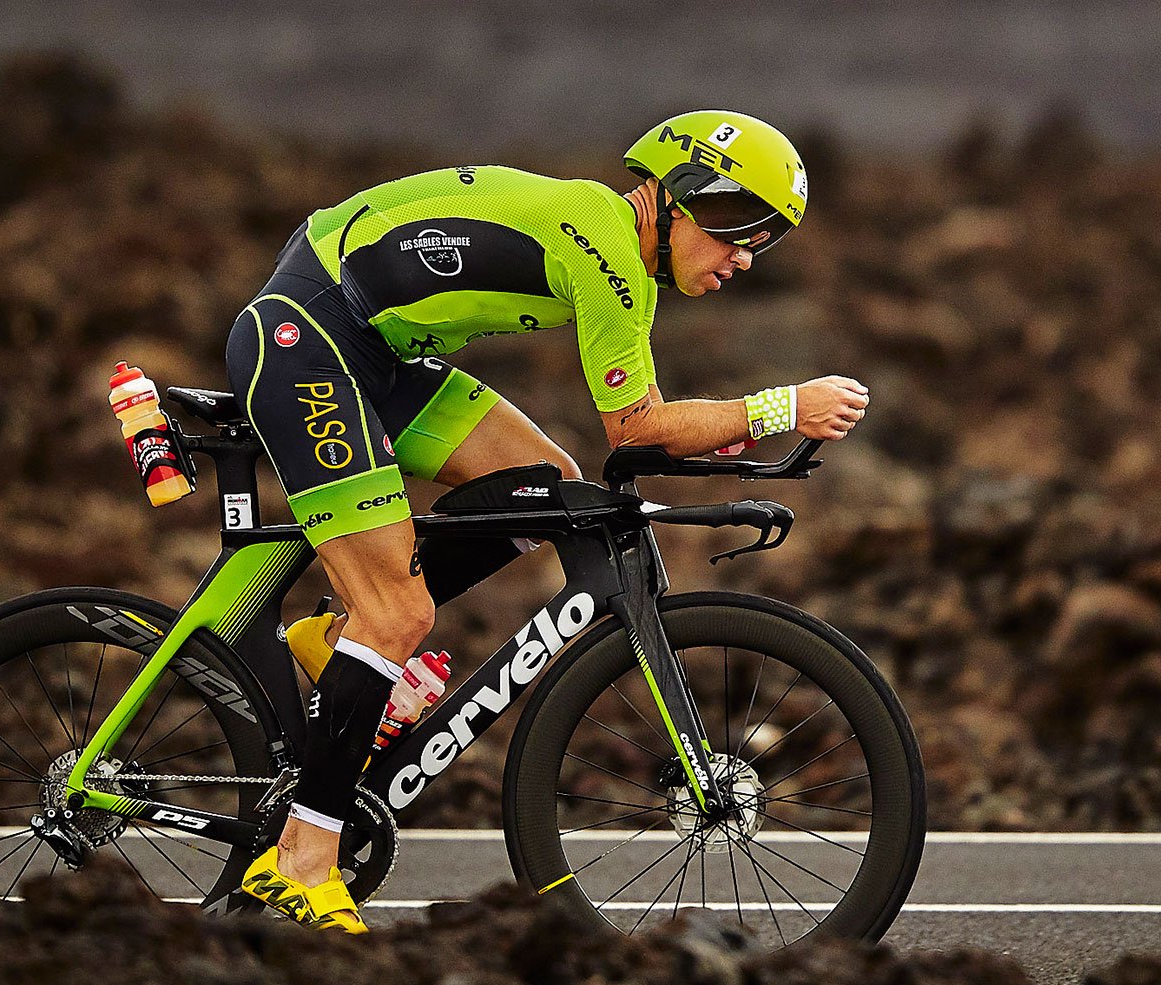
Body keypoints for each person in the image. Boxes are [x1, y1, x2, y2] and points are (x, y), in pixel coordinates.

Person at [223, 110, 872, 931]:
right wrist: (784, 404)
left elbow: (637, 439)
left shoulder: (619, 255)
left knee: (542, 487)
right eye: (737, 226)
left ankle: (336, 637)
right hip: (308, 337)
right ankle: (300, 861)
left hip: (377, 352)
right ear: (679, 198)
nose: (744, 254)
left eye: (764, 240)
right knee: (400, 615)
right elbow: (637, 430)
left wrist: (738, 437)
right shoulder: (605, 245)